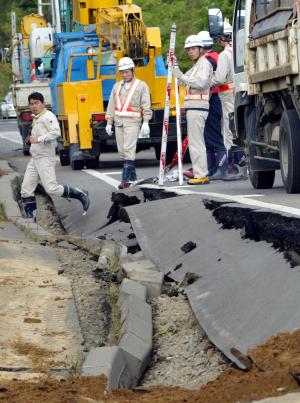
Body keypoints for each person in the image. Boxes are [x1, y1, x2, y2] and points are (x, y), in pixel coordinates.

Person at [21, 92, 90, 218]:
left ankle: (80, 193)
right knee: (26, 190)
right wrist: (31, 139)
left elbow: (56, 132)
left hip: (45, 157)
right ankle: (31, 222)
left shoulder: (48, 116)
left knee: (51, 189)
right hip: (35, 158)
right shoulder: (37, 117)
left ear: (43, 103)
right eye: (31, 104)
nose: (34, 106)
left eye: (36, 103)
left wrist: (39, 139)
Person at [105, 57, 153, 189]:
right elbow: (111, 105)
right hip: (119, 123)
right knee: (122, 152)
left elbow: (146, 105)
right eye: (122, 72)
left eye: (127, 72)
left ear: (132, 70)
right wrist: (109, 122)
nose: (125, 74)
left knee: (128, 150)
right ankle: (133, 179)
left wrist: (146, 122)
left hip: (133, 122)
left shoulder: (141, 85)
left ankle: (125, 180)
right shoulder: (117, 86)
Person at [173, 35, 213, 185]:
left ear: (200, 49)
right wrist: (174, 67)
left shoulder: (204, 64)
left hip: (198, 108)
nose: (190, 52)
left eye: (193, 49)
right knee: (196, 142)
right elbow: (181, 78)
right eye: (188, 49)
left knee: (197, 143)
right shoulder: (196, 66)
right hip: (193, 108)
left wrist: (181, 75)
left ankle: (201, 174)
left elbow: (201, 83)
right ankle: (199, 172)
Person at [211, 22, 247, 179]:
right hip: (239, 91)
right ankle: (243, 167)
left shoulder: (224, 55)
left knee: (229, 131)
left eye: (220, 38)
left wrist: (207, 80)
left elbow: (219, 79)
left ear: (223, 38)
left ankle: (232, 168)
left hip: (227, 95)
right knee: (239, 128)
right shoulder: (239, 50)